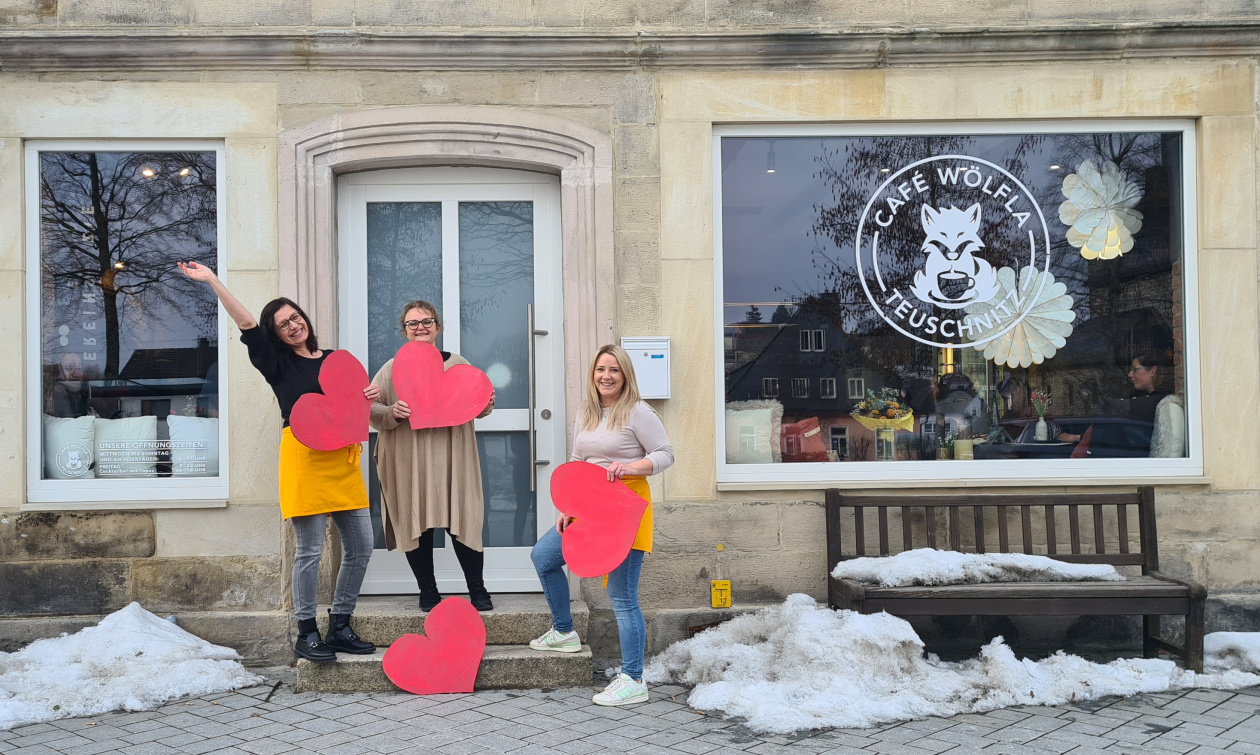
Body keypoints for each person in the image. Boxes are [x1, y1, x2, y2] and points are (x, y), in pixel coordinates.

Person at [178, 261, 376, 663]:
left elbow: (350, 411)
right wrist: (213, 280)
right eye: (283, 324)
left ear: (305, 319)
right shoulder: (277, 364)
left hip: (341, 459)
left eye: (295, 317)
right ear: (277, 334)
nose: (292, 325)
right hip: (304, 457)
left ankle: (340, 625)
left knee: (361, 546)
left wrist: (368, 399)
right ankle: (307, 632)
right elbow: (248, 324)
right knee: (310, 551)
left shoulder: (336, 359)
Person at [529, 344, 674, 707]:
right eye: (600, 369)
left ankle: (633, 679)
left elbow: (665, 454)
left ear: (625, 375)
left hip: (625, 512)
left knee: (623, 598)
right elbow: (578, 461)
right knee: (544, 557)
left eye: (614, 370)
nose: (606, 376)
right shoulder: (587, 412)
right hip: (588, 508)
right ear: (592, 374)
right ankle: (564, 631)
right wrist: (568, 506)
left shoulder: (638, 412)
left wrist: (631, 467)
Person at [369, 301, 496, 612]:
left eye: (427, 321)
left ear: (438, 327)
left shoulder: (458, 364)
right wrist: (392, 411)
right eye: (412, 323)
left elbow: (478, 404)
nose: (420, 327)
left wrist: (486, 401)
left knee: (463, 518)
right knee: (417, 521)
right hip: (410, 460)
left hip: (454, 457)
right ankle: (427, 590)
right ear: (404, 330)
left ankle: (477, 588)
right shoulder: (391, 368)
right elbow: (371, 410)